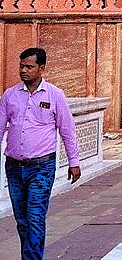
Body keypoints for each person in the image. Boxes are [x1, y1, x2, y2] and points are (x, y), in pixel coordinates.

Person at [1, 47, 81, 260]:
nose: (24, 71)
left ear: (41, 68)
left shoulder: (55, 95)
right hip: (14, 166)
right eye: (21, 66)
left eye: (29, 66)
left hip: (42, 167)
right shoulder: (9, 96)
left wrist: (74, 161)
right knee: (22, 219)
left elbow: (67, 130)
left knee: (35, 217)